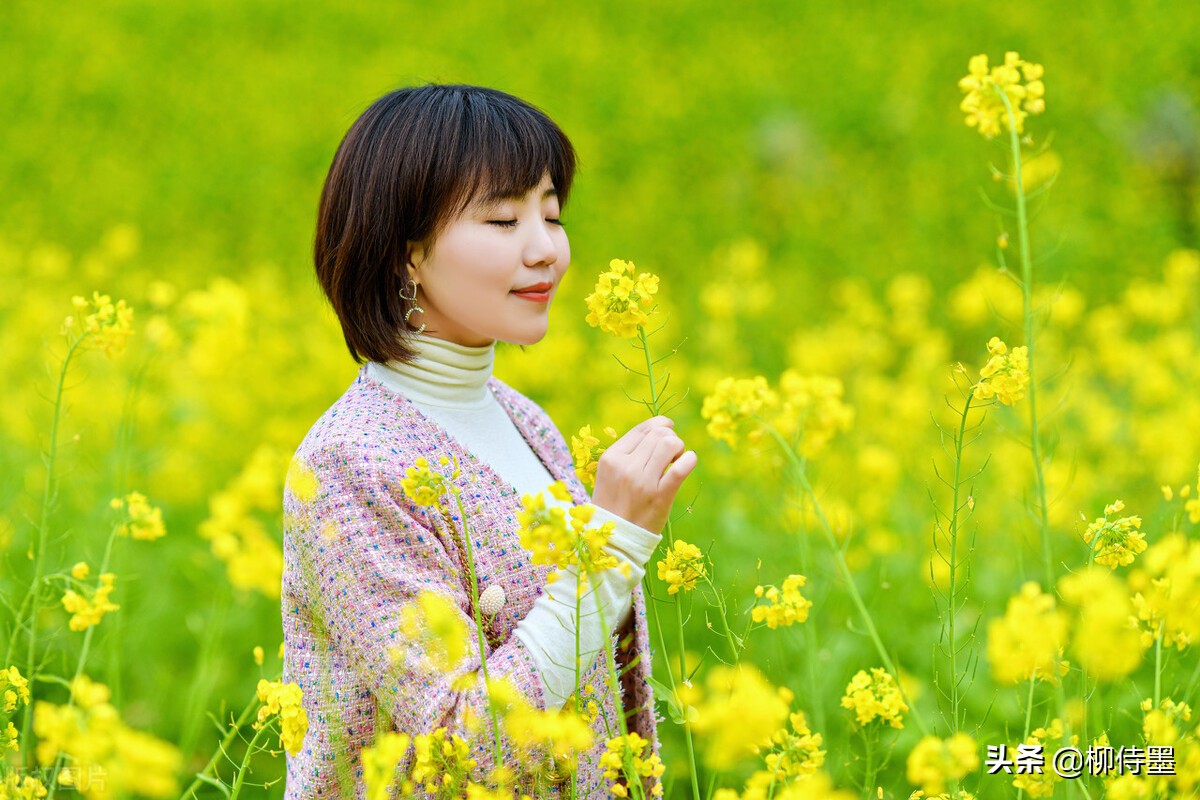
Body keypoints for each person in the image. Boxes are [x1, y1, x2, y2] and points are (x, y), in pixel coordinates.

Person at [282, 84, 697, 798]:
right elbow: (462, 742)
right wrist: (611, 546)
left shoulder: (524, 419)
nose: (547, 252)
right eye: (504, 219)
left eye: (552, 214)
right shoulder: (347, 463)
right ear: (405, 252)